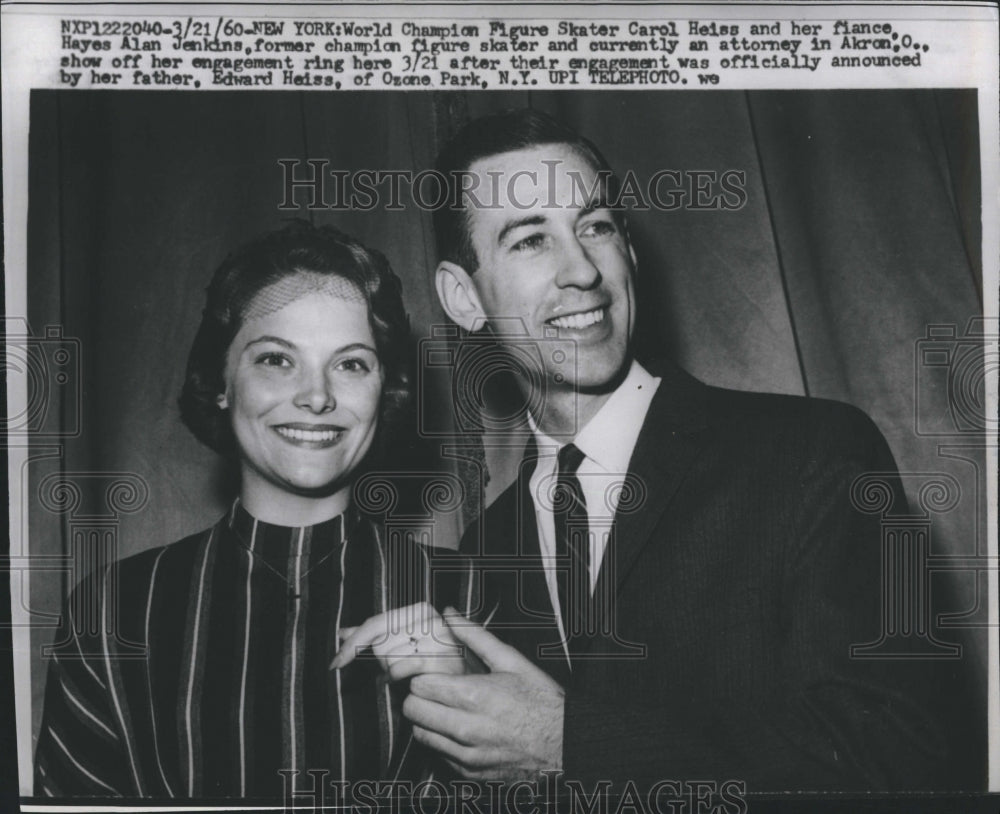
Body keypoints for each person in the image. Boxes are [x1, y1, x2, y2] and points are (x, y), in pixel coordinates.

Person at [342, 109, 981, 794]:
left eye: (596, 225)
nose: (582, 269)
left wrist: (573, 743)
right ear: (463, 297)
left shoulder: (813, 455)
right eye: (531, 240)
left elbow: (901, 759)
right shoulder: (487, 544)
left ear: (630, 250)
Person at [33, 222, 463, 799]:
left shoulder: (468, 596)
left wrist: (470, 715)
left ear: (385, 392)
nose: (317, 396)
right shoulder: (113, 610)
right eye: (276, 360)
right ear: (220, 384)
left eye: (352, 363)